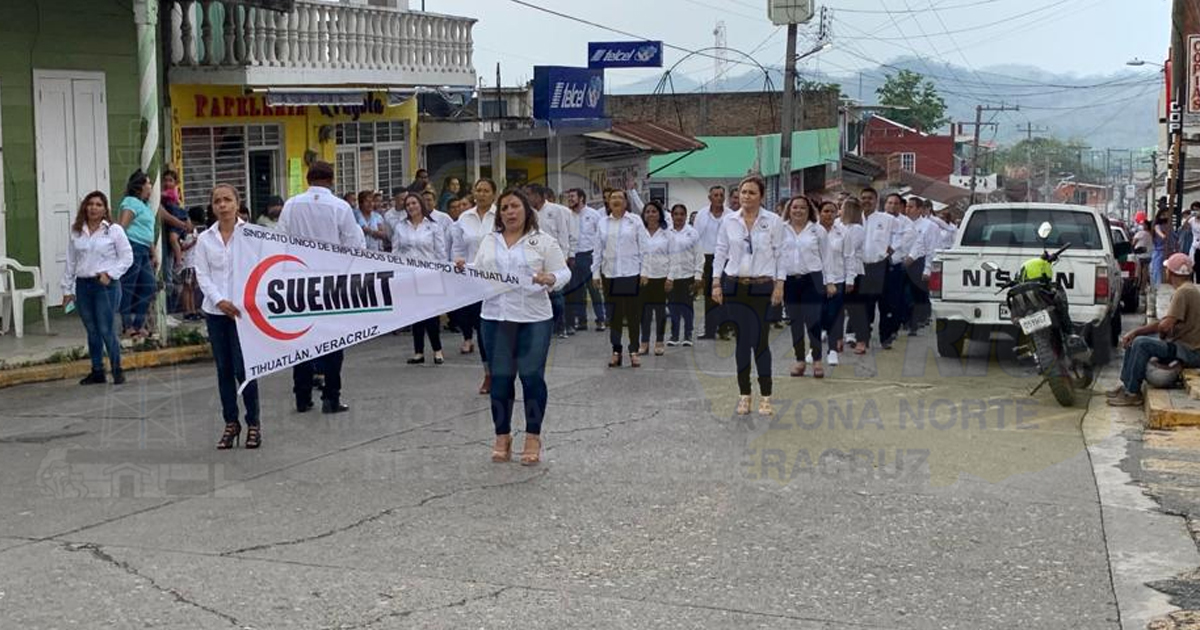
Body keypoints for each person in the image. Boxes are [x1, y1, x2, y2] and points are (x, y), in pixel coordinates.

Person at [467, 188, 570, 466]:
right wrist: (461, 268)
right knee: (500, 379)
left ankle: (532, 437)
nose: (510, 212)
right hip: (495, 317)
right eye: (504, 208)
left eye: (515, 206)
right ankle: (502, 436)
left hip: (533, 318)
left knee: (531, 377)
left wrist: (551, 278)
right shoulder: (490, 240)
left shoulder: (543, 241)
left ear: (526, 210)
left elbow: (564, 272)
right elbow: (477, 270)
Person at [278, 161, 365, 414]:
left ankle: (302, 396)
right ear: (331, 180)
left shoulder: (291, 205)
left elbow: (280, 241)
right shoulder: (341, 207)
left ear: (308, 179)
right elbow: (353, 246)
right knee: (333, 342)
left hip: (299, 282)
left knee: (302, 340)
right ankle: (331, 396)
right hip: (331, 283)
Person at [194, 184, 261, 449]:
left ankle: (253, 423)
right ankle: (231, 423)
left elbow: (258, 270)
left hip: (243, 314)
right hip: (216, 311)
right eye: (217, 201)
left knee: (245, 369)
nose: (222, 205)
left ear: (237, 203)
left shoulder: (252, 235)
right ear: (212, 207)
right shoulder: (205, 239)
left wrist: (240, 303)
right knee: (224, 369)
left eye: (227, 200)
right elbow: (202, 274)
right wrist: (219, 301)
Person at [712, 175, 785, 416]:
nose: (747, 197)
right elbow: (721, 252)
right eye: (743, 192)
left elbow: (780, 255)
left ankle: (766, 395)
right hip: (735, 286)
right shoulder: (729, 221)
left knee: (761, 341)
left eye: (752, 193)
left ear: (761, 196)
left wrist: (779, 285)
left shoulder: (772, 221)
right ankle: (745, 394)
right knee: (742, 341)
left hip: (762, 287)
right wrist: (716, 283)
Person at [1108, 253, 1200, 406]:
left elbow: (1164, 326)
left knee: (1141, 344)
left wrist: (1161, 335)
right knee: (1136, 340)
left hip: (1189, 352)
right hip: (1185, 347)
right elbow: (1163, 322)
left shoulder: (1183, 292)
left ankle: (1132, 392)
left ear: (1170, 272)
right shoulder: (1188, 290)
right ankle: (1127, 385)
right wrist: (1136, 332)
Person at [61, 191, 133, 386]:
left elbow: (127, 257)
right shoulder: (77, 230)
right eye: (90, 204)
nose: (94, 208)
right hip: (83, 285)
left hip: (105, 286)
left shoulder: (114, 230)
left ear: (105, 209)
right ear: (85, 207)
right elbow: (71, 261)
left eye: (98, 204)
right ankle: (97, 370)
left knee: (105, 328)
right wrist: (67, 289)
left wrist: (110, 274)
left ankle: (117, 369)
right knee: (91, 330)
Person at [592, 189, 649, 368]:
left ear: (626, 202)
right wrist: (595, 273)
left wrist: (645, 271)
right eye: (612, 198)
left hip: (631, 274)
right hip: (610, 274)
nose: (615, 200)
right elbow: (597, 250)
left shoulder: (635, 221)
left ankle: (633, 350)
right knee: (614, 315)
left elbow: (644, 248)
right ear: (608, 202)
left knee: (633, 315)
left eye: (619, 198)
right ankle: (616, 350)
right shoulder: (602, 223)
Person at [451, 179, 499, 393]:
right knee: (483, 330)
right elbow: (458, 247)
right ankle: (488, 373)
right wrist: (458, 262)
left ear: (494, 194)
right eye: (478, 190)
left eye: (486, 191)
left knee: (502, 329)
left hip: (498, 279)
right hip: (474, 280)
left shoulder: (501, 216)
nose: (481, 194)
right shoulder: (464, 218)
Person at [392, 193, 447, 365]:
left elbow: (440, 253)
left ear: (421, 204)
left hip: (429, 275)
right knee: (415, 314)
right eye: (408, 204)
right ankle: (418, 351)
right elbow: (395, 252)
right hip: (409, 275)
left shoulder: (433, 226)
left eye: (414, 203)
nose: (411, 207)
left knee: (431, 315)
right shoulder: (401, 226)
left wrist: (442, 272)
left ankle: (437, 350)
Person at [780, 196, 827, 378]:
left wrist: (829, 282)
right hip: (790, 280)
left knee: (813, 320)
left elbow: (827, 257)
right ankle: (800, 360)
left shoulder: (817, 230)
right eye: (795, 207)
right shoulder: (781, 230)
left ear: (809, 210)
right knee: (795, 321)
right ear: (789, 210)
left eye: (802, 208)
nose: (798, 211)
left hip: (812, 279)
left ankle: (816, 359)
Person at [116, 170, 161, 339]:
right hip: (132, 246)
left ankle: (137, 324)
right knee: (129, 287)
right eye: (148, 183)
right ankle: (127, 326)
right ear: (140, 185)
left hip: (144, 249)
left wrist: (154, 253)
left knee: (148, 286)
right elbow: (122, 227)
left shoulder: (146, 206)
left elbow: (148, 232)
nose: (150, 186)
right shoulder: (131, 202)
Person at [525, 184, 575, 339]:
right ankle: (546, 326)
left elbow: (563, 234)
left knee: (557, 296)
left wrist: (566, 256)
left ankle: (561, 326)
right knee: (541, 294)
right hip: (536, 258)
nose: (527, 198)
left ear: (539, 196)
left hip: (555, 257)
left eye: (529, 194)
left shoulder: (556, 210)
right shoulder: (528, 213)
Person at [855, 190, 897, 354]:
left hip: (880, 265)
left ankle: (885, 337)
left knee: (885, 304)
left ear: (876, 200)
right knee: (864, 305)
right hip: (860, 266)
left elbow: (908, 234)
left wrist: (893, 248)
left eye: (870, 198)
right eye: (863, 198)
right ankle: (862, 339)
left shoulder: (887, 219)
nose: (866, 201)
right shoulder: (855, 219)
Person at [564, 188, 606, 332]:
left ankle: (601, 319)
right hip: (573, 257)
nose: (570, 199)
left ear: (581, 198)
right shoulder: (567, 215)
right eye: (568, 197)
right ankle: (581, 320)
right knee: (577, 291)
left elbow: (601, 237)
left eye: (572, 196)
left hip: (589, 255)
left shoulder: (593, 215)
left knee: (594, 290)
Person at [695, 185, 733, 340]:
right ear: (710, 198)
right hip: (707, 257)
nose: (718, 198)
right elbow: (696, 238)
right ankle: (709, 330)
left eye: (721, 195)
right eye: (715, 195)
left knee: (724, 294)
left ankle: (724, 329)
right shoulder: (702, 215)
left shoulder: (731, 215)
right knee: (709, 295)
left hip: (726, 258)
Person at [822, 199, 857, 366]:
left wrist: (850, 278)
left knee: (835, 314)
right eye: (825, 211)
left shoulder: (843, 232)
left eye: (832, 211)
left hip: (838, 279)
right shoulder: (813, 231)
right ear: (819, 213)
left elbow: (849, 257)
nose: (829, 214)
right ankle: (813, 349)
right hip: (816, 280)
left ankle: (833, 350)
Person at [666, 203, 703, 346]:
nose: (679, 217)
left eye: (682, 214)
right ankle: (674, 335)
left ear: (686, 216)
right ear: (672, 216)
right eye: (676, 214)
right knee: (673, 307)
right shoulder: (667, 232)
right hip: (671, 277)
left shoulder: (692, 232)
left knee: (687, 307)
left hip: (688, 276)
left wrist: (698, 276)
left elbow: (699, 255)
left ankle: (688, 334)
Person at [638, 201, 672, 356]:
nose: (650, 214)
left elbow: (674, 257)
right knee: (644, 312)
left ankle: (659, 341)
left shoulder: (667, 234)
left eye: (654, 211)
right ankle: (644, 342)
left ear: (660, 214)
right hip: (643, 278)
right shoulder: (639, 233)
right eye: (648, 212)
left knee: (660, 312)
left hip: (661, 277)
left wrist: (670, 278)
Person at [178, 206, 206, 321]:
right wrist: (193, 242)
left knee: (192, 288)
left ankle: (193, 309)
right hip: (187, 263)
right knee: (187, 287)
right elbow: (182, 246)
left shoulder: (194, 230)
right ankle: (187, 310)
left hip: (194, 263)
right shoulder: (184, 232)